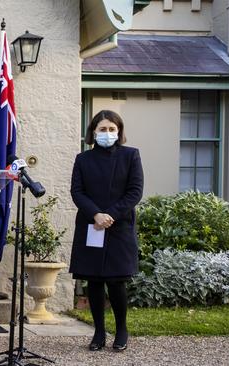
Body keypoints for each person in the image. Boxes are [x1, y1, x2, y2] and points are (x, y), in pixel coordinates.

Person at [69, 110, 144, 352]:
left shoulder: (131, 156)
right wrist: (96, 215)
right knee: (94, 280)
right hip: (91, 224)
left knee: (116, 280)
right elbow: (77, 192)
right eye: (103, 129)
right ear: (93, 132)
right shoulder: (83, 159)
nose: (108, 133)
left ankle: (121, 330)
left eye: (112, 129)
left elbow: (135, 191)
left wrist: (111, 215)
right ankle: (99, 332)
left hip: (119, 226)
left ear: (119, 131)